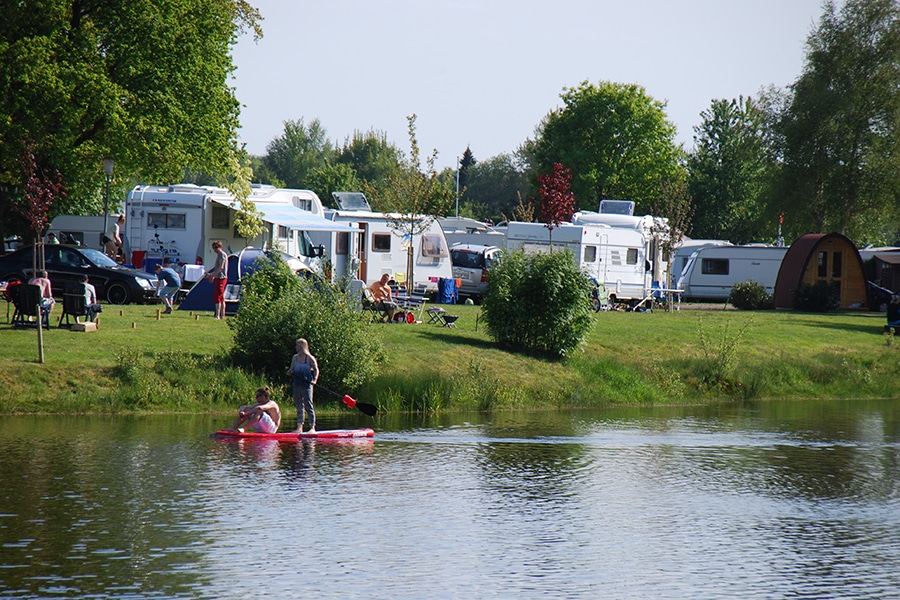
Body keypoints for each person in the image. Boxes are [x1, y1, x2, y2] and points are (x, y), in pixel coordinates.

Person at [287, 338, 319, 434]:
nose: (295, 347)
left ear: (301, 347)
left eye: (297, 345)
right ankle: (299, 427)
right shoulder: (295, 357)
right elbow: (291, 369)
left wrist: (314, 380)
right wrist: (289, 372)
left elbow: (316, 369)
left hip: (307, 385)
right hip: (297, 384)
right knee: (299, 406)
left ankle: (312, 427)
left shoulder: (309, 358)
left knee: (308, 405)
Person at [206, 240, 227, 320]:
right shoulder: (219, 255)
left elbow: (221, 268)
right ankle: (222, 315)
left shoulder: (222, 255)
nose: (214, 250)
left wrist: (212, 276)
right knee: (221, 297)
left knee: (218, 296)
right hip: (218, 277)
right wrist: (212, 276)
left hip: (221, 278)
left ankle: (218, 315)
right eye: (213, 248)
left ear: (219, 247)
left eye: (215, 248)